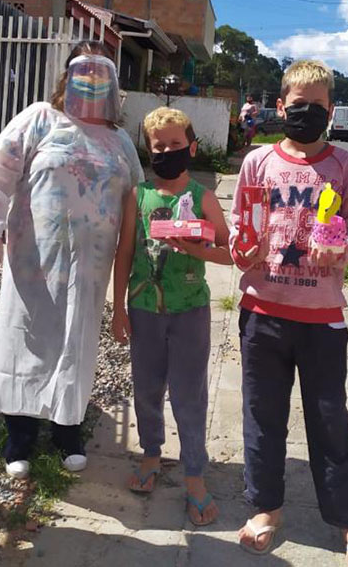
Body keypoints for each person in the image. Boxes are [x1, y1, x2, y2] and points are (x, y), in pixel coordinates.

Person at [0, 42, 143, 479]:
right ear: (68, 77)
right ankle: (19, 436)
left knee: (77, 343)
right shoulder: (40, 118)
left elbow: (136, 195)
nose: (93, 81)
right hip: (34, 260)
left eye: (103, 73)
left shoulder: (119, 139)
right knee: (26, 338)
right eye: (85, 72)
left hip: (91, 269)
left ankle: (68, 431)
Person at [231, 60, 348, 566]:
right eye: (298, 105)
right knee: (262, 415)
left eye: (318, 107)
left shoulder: (345, 166)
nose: (307, 114)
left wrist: (341, 252)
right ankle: (265, 508)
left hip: (322, 319)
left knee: (330, 419)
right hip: (262, 312)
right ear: (280, 106)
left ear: (331, 111)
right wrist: (239, 248)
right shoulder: (258, 162)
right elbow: (239, 227)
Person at [111, 107, 232, 526]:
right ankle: (150, 455)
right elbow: (125, 252)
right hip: (144, 310)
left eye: (175, 145)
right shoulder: (137, 196)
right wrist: (118, 308)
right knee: (145, 388)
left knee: (189, 393)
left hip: (189, 312)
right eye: (158, 146)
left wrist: (196, 247)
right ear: (148, 150)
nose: (167, 152)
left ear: (191, 148)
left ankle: (195, 473)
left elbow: (229, 252)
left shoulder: (203, 198)